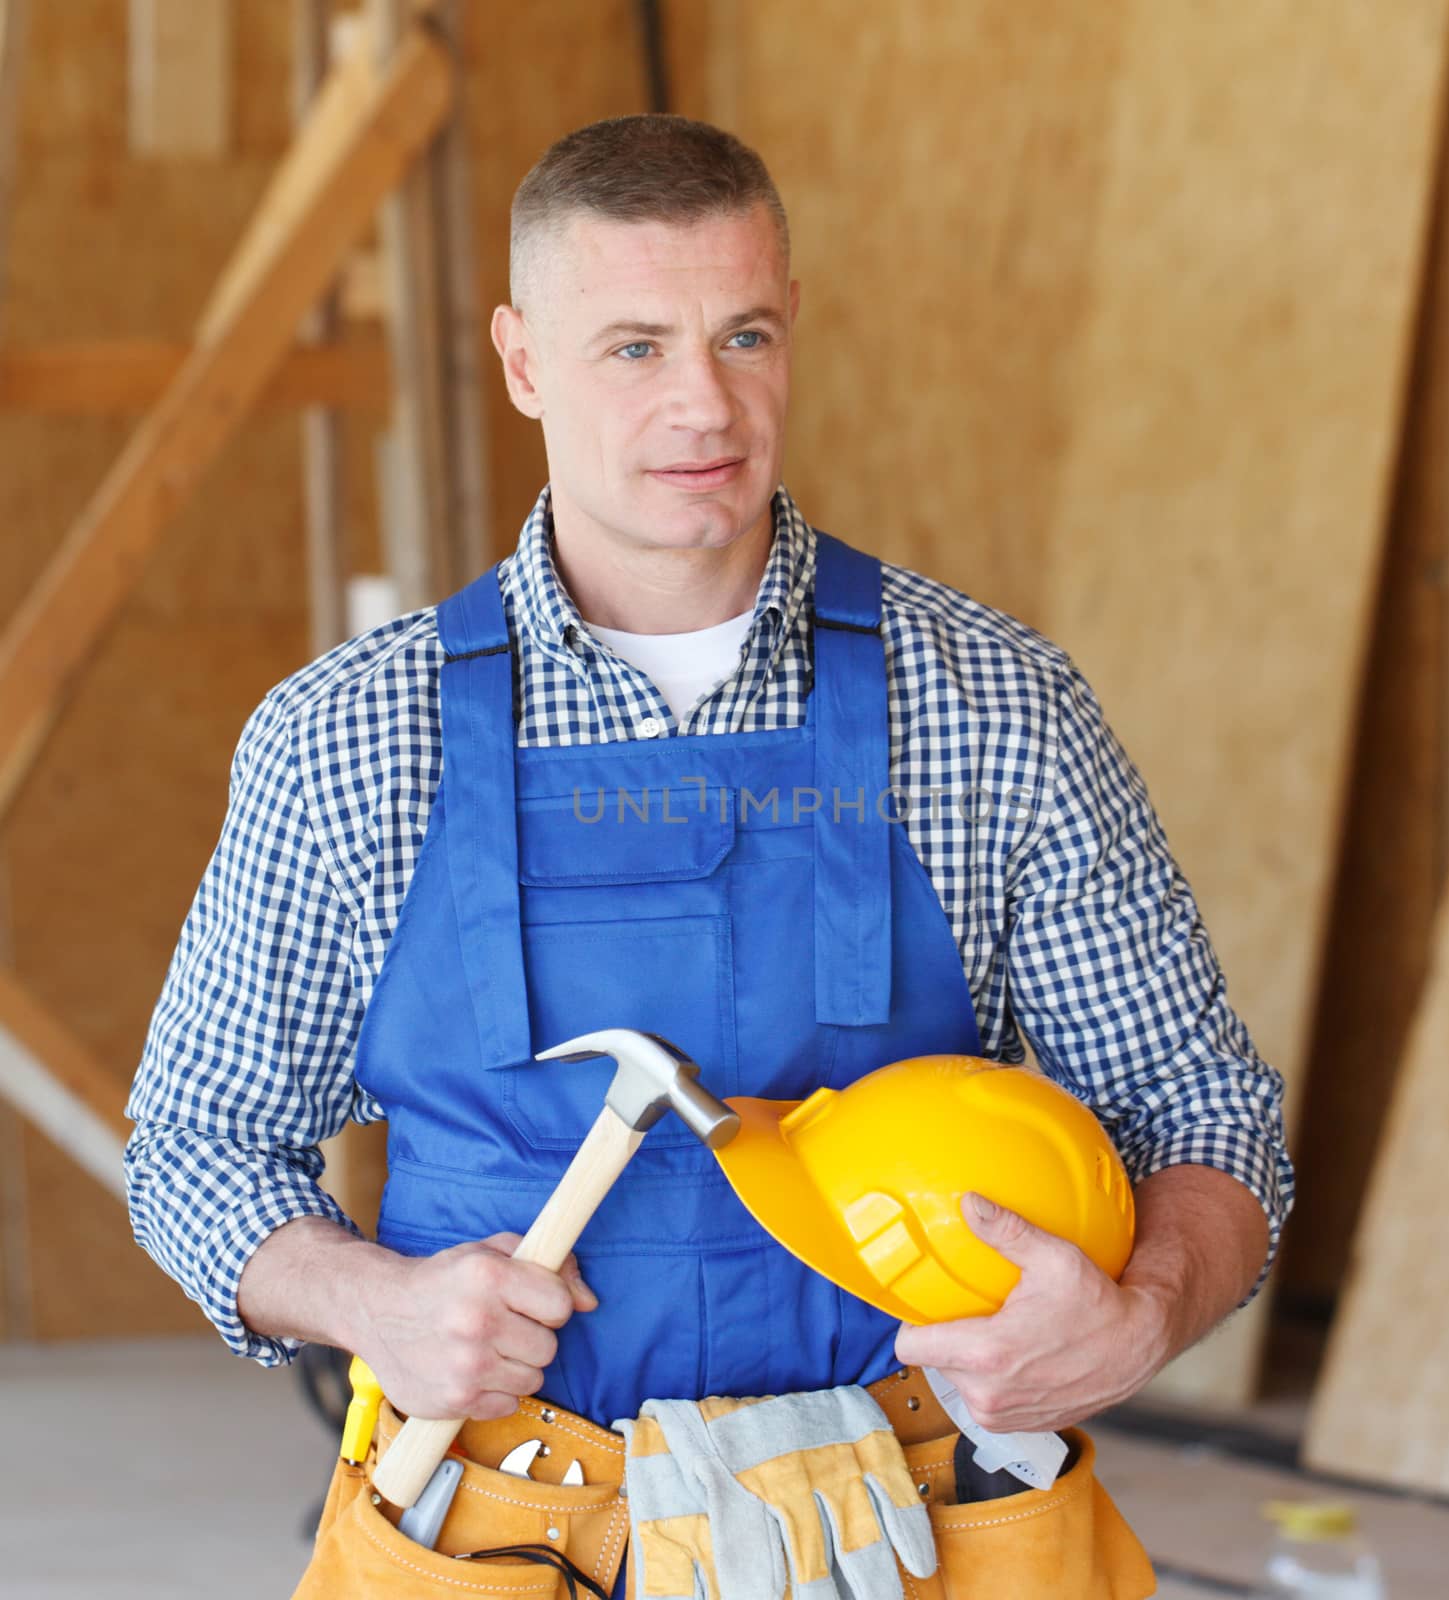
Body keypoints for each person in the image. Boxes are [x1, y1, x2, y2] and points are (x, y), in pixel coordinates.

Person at [127, 112, 1291, 1479]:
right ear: (522, 362)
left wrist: (1139, 1319)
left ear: (793, 326)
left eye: (743, 335)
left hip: (905, 1521)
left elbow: (1201, 1111)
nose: (706, 406)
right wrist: (370, 1300)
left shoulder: (992, 706)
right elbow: (199, 1145)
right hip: (505, 1529)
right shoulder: (350, 739)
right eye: (635, 347)